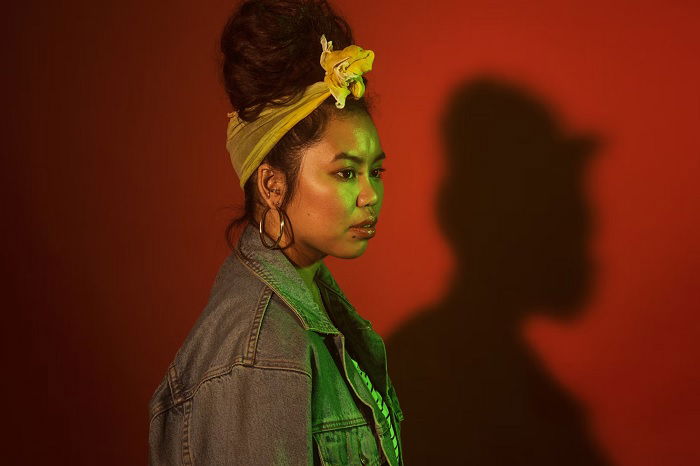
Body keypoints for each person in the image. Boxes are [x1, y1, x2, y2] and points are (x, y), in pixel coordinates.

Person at [147, 1, 404, 464]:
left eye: (377, 172)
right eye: (346, 174)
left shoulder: (311, 310)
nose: (370, 195)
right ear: (272, 184)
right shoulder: (262, 353)